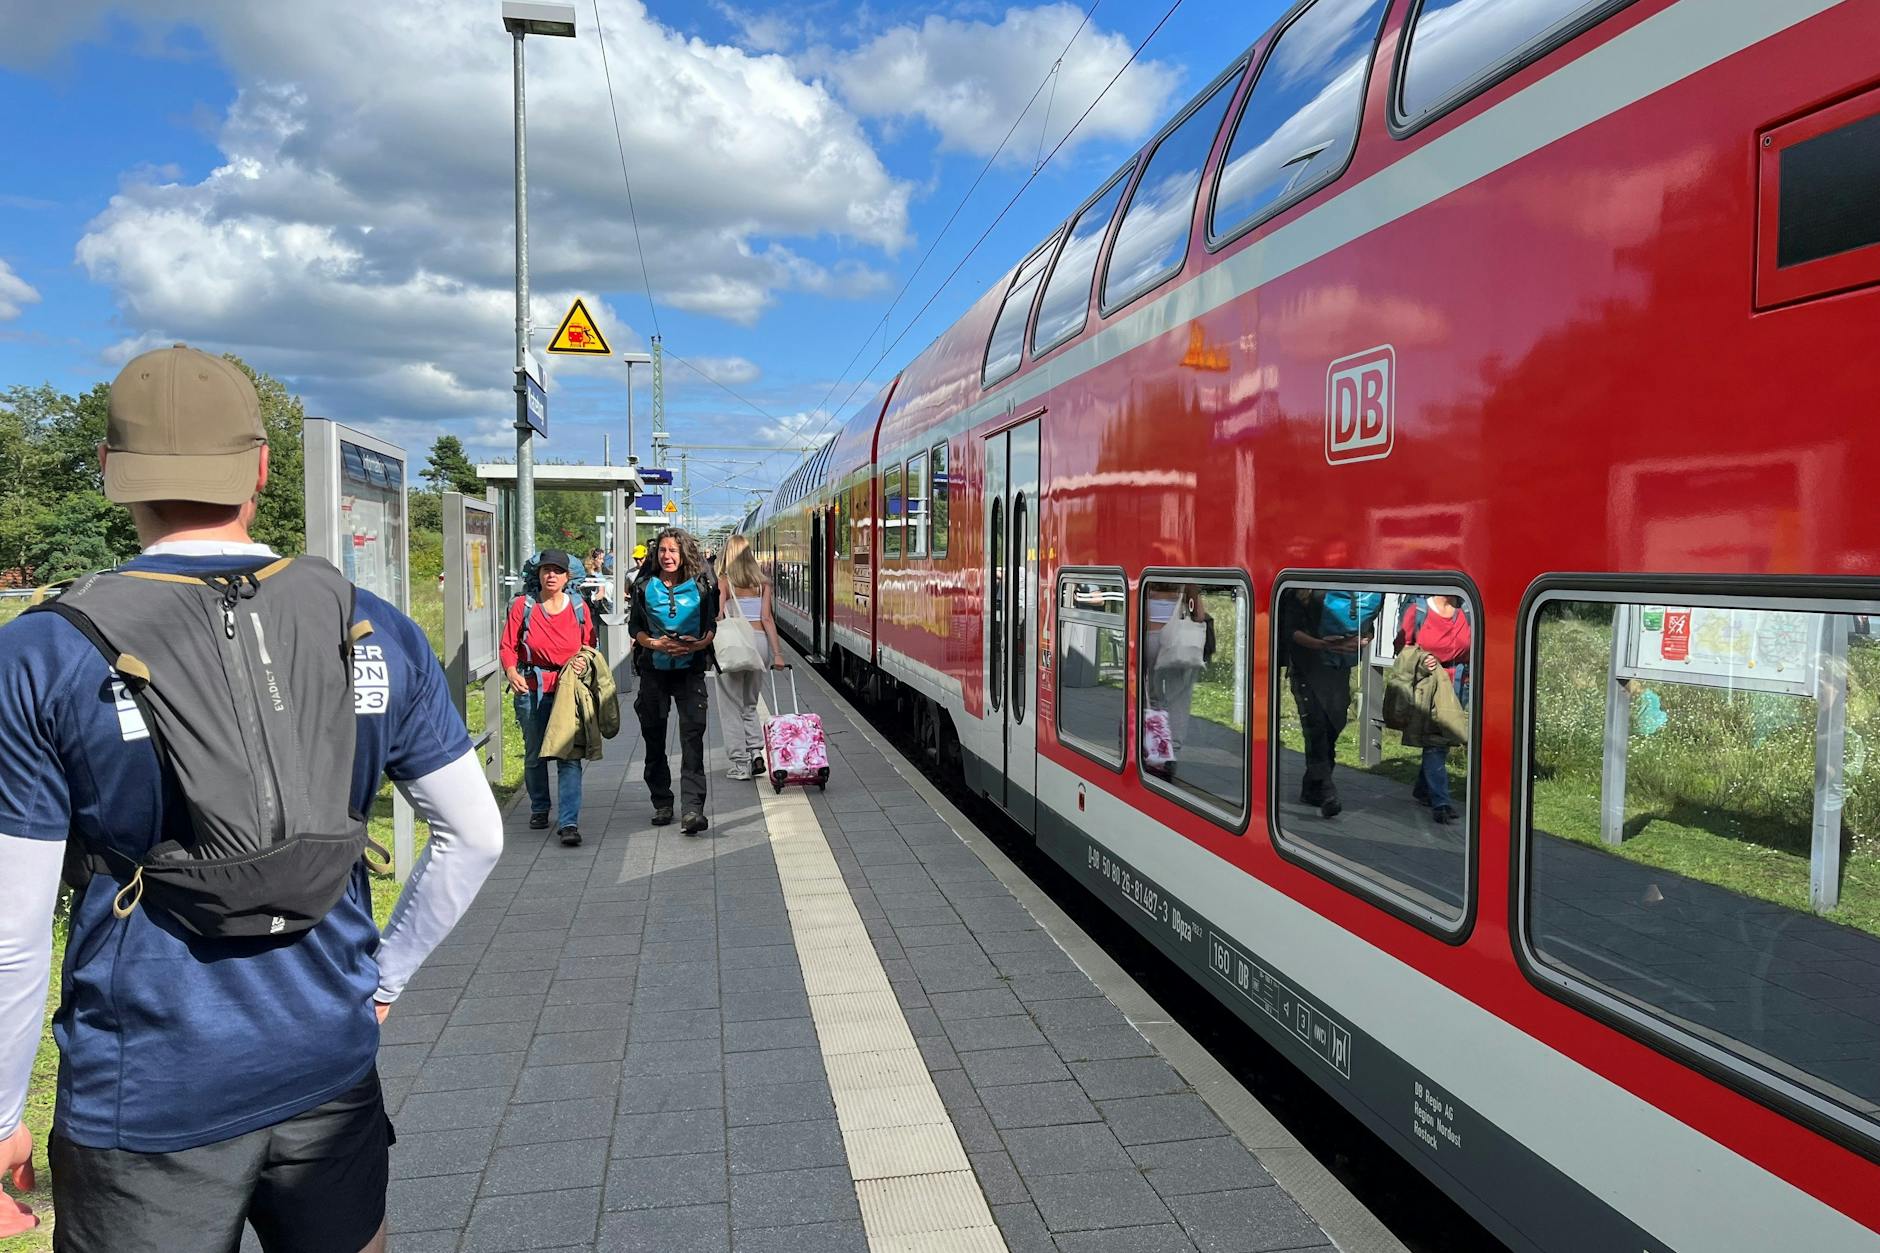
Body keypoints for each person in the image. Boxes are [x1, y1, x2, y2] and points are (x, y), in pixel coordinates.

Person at [0, 344, 503, 1252]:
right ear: (263, 468)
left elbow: (13, 927)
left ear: (110, 469)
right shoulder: (370, 623)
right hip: (329, 1063)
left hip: (147, 1093)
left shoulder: (45, 649)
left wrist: (3, 1112)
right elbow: (475, 835)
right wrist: (381, 984)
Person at [500, 549, 596, 847]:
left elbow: (590, 645)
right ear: (538, 574)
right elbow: (507, 646)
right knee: (535, 753)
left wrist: (583, 660)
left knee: (569, 755)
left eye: (557, 570)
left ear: (567, 577)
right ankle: (540, 807)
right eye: (546, 570)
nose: (551, 575)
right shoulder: (523, 606)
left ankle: (568, 823)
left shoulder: (579, 607)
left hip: (568, 690)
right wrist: (511, 672)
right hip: (531, 687)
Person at [630, 528, 718, 834]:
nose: (667, 556)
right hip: (653, 672)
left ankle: (693, 809)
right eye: (662, 550)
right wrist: (656, 644)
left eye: (673, 551)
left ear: (684, 554)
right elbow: (635, 628)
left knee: (692, 739)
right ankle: (662, 802)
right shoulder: (644, 585)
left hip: (690, 671)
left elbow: (711, 626)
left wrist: (696, 645)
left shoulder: (702, 586)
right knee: (654, 738)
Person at [1279, 587, 1382, 817]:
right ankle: (1327, 790)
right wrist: (1325, 644)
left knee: (1334, 725)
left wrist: (1363, 639)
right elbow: (1290, 631)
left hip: (1338, 668)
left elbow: (1368, 626)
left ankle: (1312, 787)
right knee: (1316, 727)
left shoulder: (1353, 592)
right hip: (1306, 667)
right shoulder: (1300, 590)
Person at [714, 534, 788, 781]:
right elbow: (767, 618)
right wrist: (777, 654)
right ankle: (756, 753)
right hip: (759, 643)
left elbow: (718, 615)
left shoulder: (724, 582)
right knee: (750, 703)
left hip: (735, 644)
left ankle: (740, 764)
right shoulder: (762, 583)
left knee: (730, 705)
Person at [1396, 595, 1471, 824]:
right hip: (1429, 685)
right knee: (1436, 745)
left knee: (1441, 743)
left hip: (1459, 683)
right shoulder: (1418, 611)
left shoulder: (1468, 610)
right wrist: (1422, 659)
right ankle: (1441, 803)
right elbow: (1401, 647)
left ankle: (1423, 789)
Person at [1141, 582, 1211, 768]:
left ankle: (1155, 747)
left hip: (1150, 640)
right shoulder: (1186, 580)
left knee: (1152, 696)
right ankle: (1173, 750)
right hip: (1177, 643)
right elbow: (1199, 616)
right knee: (1179, 698)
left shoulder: (1151, 582)